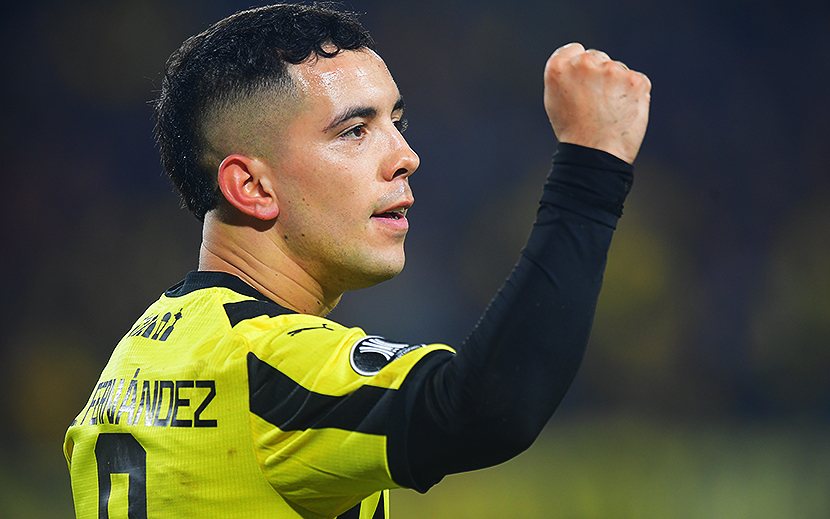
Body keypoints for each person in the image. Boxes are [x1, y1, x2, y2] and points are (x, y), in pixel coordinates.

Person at [63, 3, 650, 518]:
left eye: (396, 122)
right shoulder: (264, 361)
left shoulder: (132, 364)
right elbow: (484, 409)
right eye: (353, 131)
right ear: (252, 187)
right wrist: (591, 168)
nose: (406, 156)